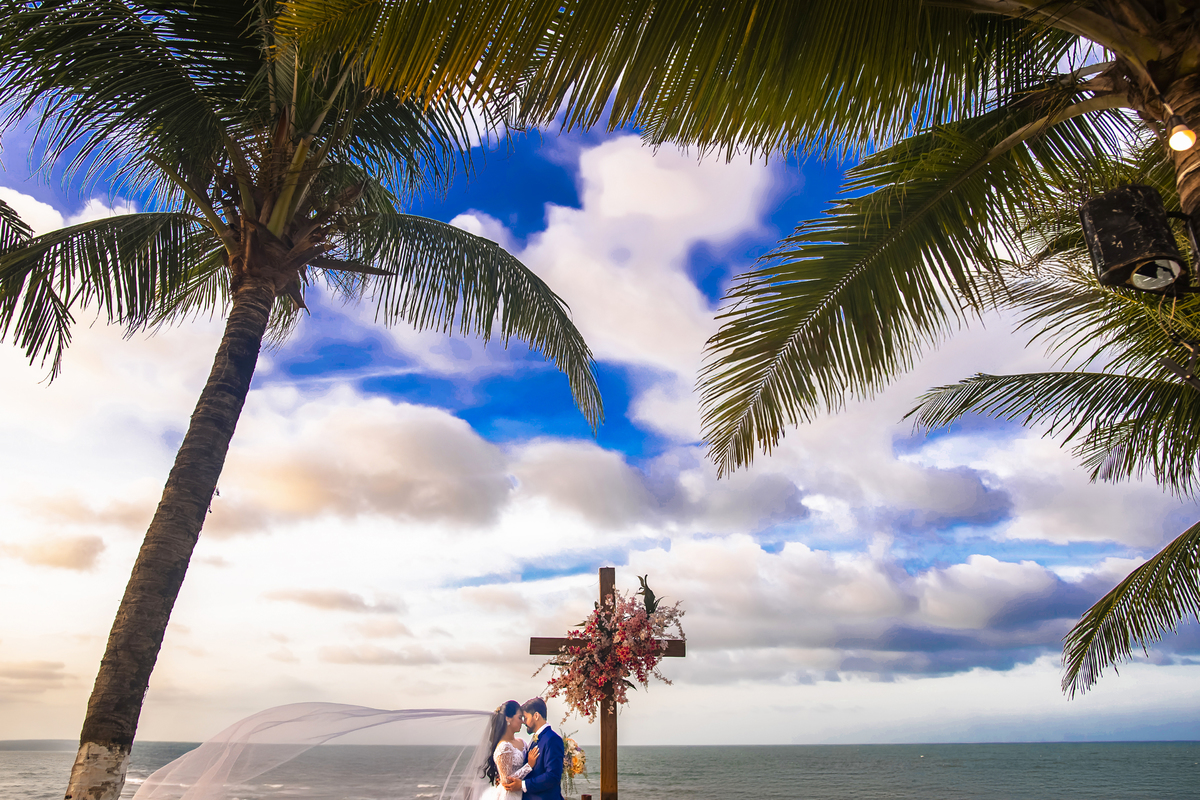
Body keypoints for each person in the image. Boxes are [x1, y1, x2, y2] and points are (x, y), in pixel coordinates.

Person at [501, 697, 564, 800]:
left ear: (536, 716)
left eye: (525, 718)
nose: (524, 722)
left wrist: (523, 785)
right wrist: (506, 776)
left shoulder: (552, 739)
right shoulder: (536, 739)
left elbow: (553, 776)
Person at [480, 700, 533, 800]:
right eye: (519, 717)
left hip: (524, 794)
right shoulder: (503, 747)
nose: (522, 721)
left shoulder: (522, 742)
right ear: (508, 719)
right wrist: (528, 766)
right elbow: (507, 782)